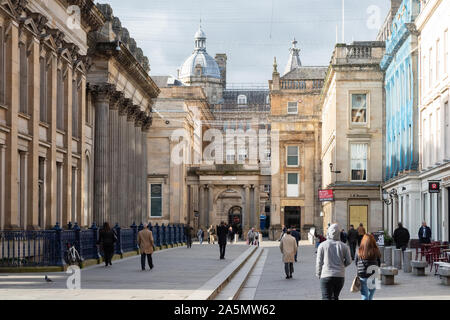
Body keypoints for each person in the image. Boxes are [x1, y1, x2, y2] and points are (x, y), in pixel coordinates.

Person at [316, 223, 352, 300]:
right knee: (335, 297)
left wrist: (318, 273)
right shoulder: (344, 246)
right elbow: (349, 261)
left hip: (326, 275)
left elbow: (319, 262)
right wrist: (341, 265)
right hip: (339, 275)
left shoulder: (322, 245)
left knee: (326, 297)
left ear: (328, 232)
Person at [355, 234, 381, 300]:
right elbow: (379, 263)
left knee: (364, 295)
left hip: (362, 275)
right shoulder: (376, 250)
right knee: (370, 296)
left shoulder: (359, 250)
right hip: (373, 275)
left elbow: (356, 263)